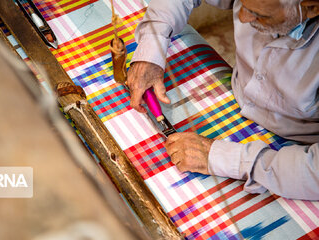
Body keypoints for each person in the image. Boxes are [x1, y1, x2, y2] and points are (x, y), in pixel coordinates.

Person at [127, 0, 319, 200]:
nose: (242, 17)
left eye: (259, 14)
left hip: (297, 152)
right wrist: (151, 46)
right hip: (238, 96)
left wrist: (224, 158)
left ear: (312, 7)